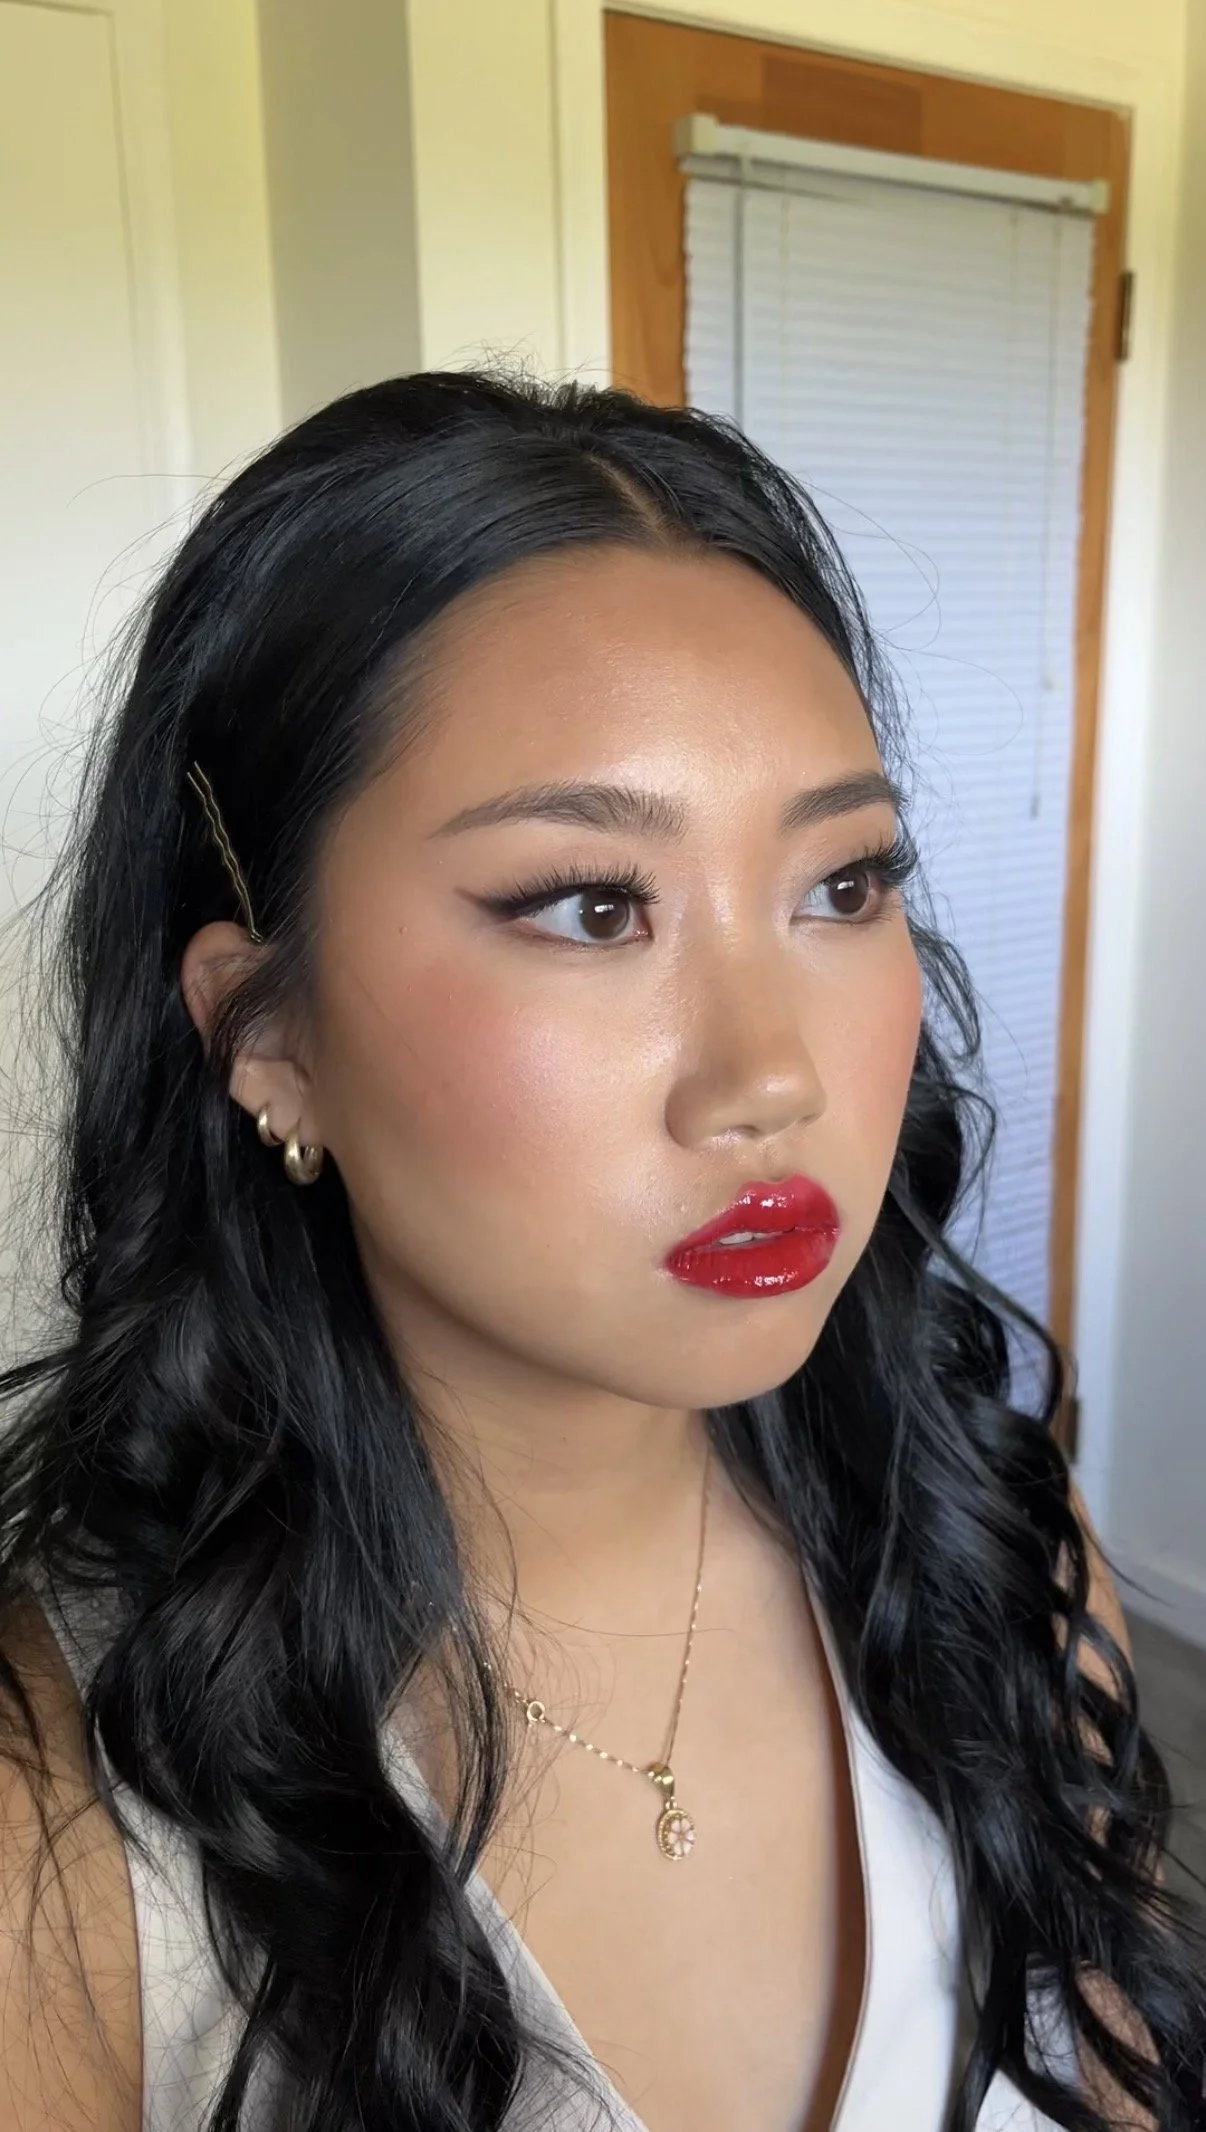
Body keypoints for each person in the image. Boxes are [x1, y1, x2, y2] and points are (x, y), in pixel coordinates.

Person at [0, 371, 1201, 2132]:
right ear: (267, 1030)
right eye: (589, 905)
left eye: (841, 886)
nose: (770, 1075)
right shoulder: (61, 1838)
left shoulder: (990, 1542)